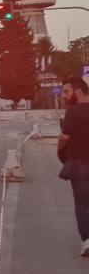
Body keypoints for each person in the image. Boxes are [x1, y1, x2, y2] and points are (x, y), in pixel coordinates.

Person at [57, 75, 89, 256]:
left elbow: (64, 137)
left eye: (66, 91)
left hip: (80, 166)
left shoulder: (73, 112)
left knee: (82, 205)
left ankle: (87, 241)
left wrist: (60, 149)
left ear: (78, 91)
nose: (63, 95)